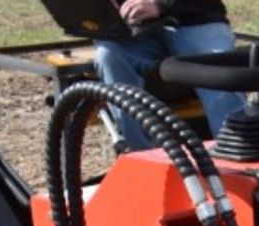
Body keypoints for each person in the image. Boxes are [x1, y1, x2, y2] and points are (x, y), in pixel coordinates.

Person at [92, 0, 246, 149]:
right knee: (109, 56)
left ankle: (238, 153)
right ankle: (141, 158)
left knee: (220, 68)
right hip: (138, 30)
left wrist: (160, 4)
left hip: (196, 20)